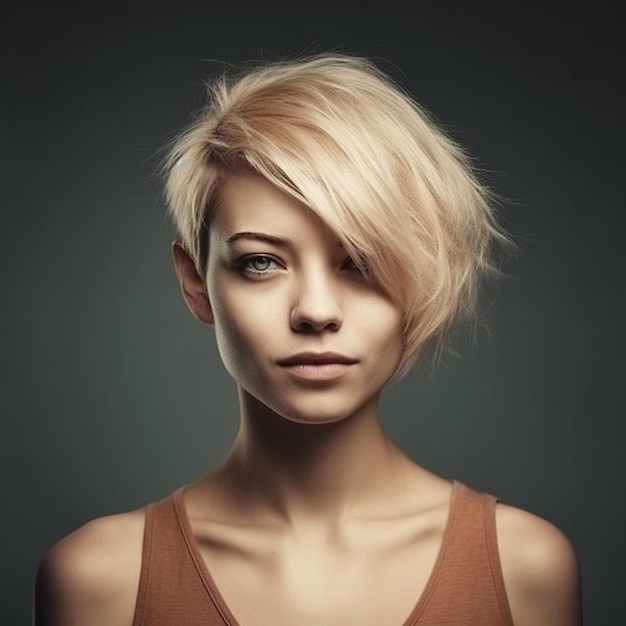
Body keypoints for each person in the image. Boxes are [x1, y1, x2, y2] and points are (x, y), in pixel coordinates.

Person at [34, 54, 582, 625]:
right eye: (262, 262)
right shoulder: (100, 582)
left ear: (421, 274)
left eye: (362, 262)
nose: (316, 311)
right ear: (195, 281)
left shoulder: (525, 569)